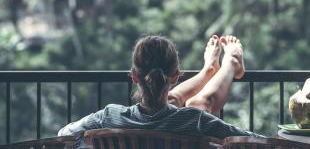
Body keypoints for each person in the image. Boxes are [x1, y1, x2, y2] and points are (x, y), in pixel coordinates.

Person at [58, 35, 262, 147]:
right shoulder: (195, 120)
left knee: (186, 104)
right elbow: (251, 141)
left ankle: (211, 70)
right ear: (175, 76)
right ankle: (226, 64)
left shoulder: (109, 117)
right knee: (196, 105)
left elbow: (64, 135)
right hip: (183, 116)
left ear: (134, 76)